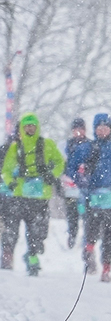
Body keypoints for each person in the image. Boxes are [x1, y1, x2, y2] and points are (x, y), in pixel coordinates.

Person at [68, 113, 111, 282]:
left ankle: (106, 268)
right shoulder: (86, 148)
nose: (103, 130)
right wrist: (81, 178)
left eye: (106, 127)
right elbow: (71, 167)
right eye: (100, 127)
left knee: (109, 236)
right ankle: (89, 250)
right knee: (91, 231)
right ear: (95, 129)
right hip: (92, 198)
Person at [0, 112, 64, 275]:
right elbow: (6, 170)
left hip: (40, 197)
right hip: (19, 196)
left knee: (37, 231)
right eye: (27, 126)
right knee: (11, 229)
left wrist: (52, 175)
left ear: (37, 127)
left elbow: (60, 162)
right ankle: (7, 255)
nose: (30, 129)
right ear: (21, 128)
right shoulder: (15, 148)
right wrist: (11, 183)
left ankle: (32, 256)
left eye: (32, 126)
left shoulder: (47, 145)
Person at [61, 118, 89, 248]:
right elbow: (64, 165)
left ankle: (88, 238)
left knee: (87, 213)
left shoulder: (90, 144)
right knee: (72, 213)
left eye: (81, 129)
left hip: (86, 186)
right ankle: (72, 234)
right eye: (76, 129)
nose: (78, 132)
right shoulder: (67, 145)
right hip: (70, 186)